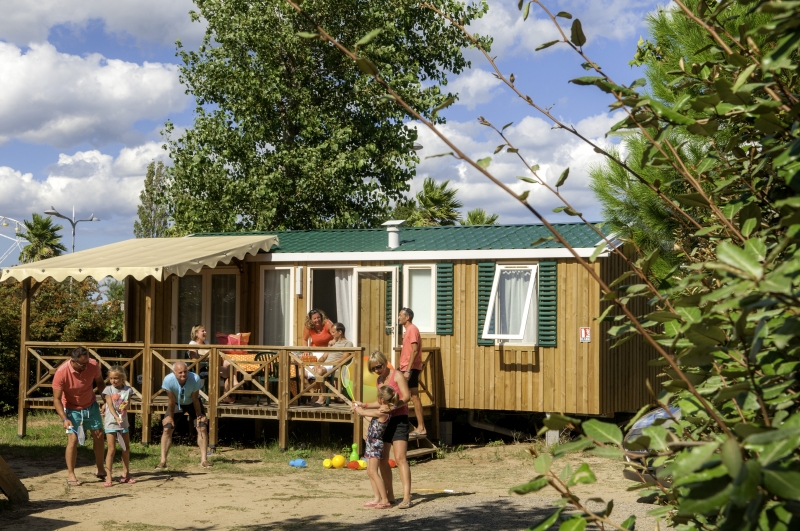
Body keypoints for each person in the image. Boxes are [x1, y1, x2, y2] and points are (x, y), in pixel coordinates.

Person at [353, 350, 413, 509]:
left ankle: (407, 497)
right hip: (386, 422)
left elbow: (406, 397)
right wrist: (364, 405)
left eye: (378, 367)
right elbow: (381, 403)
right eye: (373, 369)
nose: (376, 370)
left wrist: (393, 407)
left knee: (400, 458)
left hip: (399, 419)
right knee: (383, 460)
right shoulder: (379, 380)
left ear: (385, 362)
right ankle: (390, 496)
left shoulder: (397, 375)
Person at [53, 347, 107, 486]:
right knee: (73, 439)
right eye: (82, 364)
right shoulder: (61, 372)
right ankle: (71, 474)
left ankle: (100, 468)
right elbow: (57, 399)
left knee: (99, 435)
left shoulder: (92, 364)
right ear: (73, 361)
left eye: (87, 362)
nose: (85, 366)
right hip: (71, 408)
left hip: (90, 404)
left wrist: (106, 401)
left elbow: (100, 382)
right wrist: (64, 419)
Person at [155, 361, 212, 469]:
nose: (183, 374)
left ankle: (204, 460)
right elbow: (171, 400)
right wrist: (170, 417)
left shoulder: (195, 378)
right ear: (174, 372)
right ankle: (162, 461)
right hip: (176, 403)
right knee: (167, 428)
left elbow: (195, 399)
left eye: (185, 371)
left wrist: (199, 415)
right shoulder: (168, 380)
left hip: (192, 402)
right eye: (180, 372)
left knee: (202, 427)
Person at [353, 385, 397, 509]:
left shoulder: (383, 411)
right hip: (371, 442)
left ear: (382, 399)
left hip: (375, 444)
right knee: (370, 471)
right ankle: (377, 498)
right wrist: (360, 406)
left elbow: (364, 413)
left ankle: (385, 500)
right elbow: (367, 415)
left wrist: (357, 408)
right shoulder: (383, 408)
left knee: (373, 471)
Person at [102, 365, 134, 487]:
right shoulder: (108, 390)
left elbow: (128, 404)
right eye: (111, 378)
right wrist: (116, 417)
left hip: (123, 423)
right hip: (111, 423)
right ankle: (108, 476)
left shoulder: (128, 390)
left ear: (122, 378)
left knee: (126, 448)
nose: (113, 381)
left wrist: (126, 406)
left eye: (116, 378)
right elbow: (110, 406)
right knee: (111, 449)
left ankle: (126, 474)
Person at [311, 322, 354, 406]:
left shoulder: (348, 343)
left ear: (340, 332)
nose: (332, 334)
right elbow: (324, 357)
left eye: (333, 332)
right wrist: (317, 363)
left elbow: (344, 358)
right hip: (325, 367)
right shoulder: (332, 343)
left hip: (336, 367)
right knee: (301, 373)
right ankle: (313, 393)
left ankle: (322, 396)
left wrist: (328, 364)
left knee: (320, 372)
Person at [399, 307, 426, 437]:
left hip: (410, 368)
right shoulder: (408, 330)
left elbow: (415, 350)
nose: (398, 317)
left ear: (407, 317)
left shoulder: (412, 329)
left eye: (400, 315)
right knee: (407, 394)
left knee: (413, 396)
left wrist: (408, 370)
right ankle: (414, 426)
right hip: (405, 367)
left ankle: (421, 427)